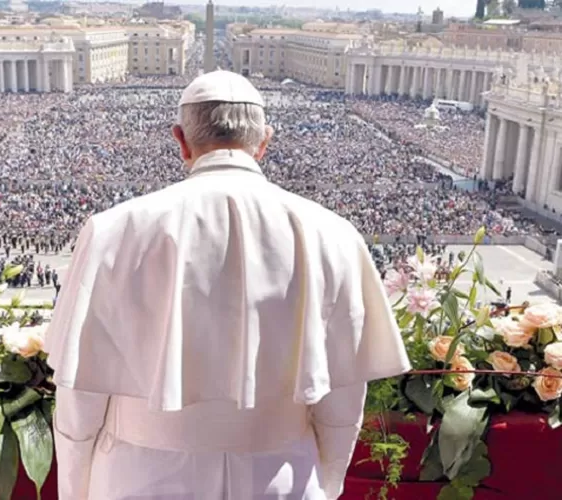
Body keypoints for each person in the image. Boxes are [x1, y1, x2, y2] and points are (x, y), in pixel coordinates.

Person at [46, 71, 411, 500]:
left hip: (140, 475)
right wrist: (325, 483)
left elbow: (80, 399)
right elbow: (343, 403)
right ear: (264, 141)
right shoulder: (334, 234)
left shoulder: (112, 230)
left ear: (180, 140)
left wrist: (74, 489)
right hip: (282, 476)